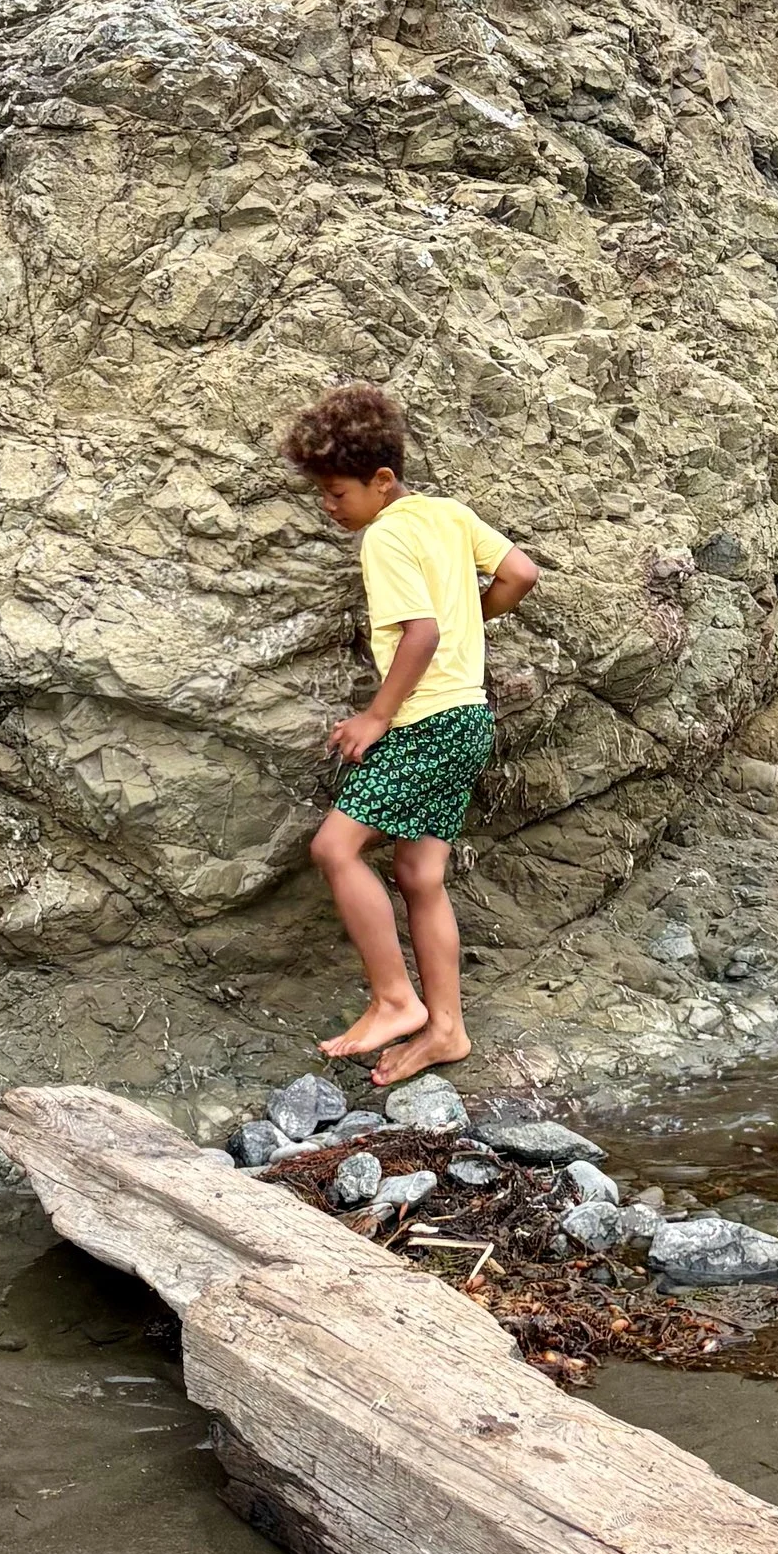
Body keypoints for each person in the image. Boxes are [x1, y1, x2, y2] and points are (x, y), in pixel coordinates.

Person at [283, 381, 538, 1086]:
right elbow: (520, 573)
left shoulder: (386, 535)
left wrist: (376, 716)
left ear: (382, 481)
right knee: (420, 873)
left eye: (337, 493)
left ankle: (396, 1000)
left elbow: (420, 634)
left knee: (336, 847)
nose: (330, 507)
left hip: (425, 721)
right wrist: (472, 622)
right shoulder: (450, 516)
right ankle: (447, 1030)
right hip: (469, 718)